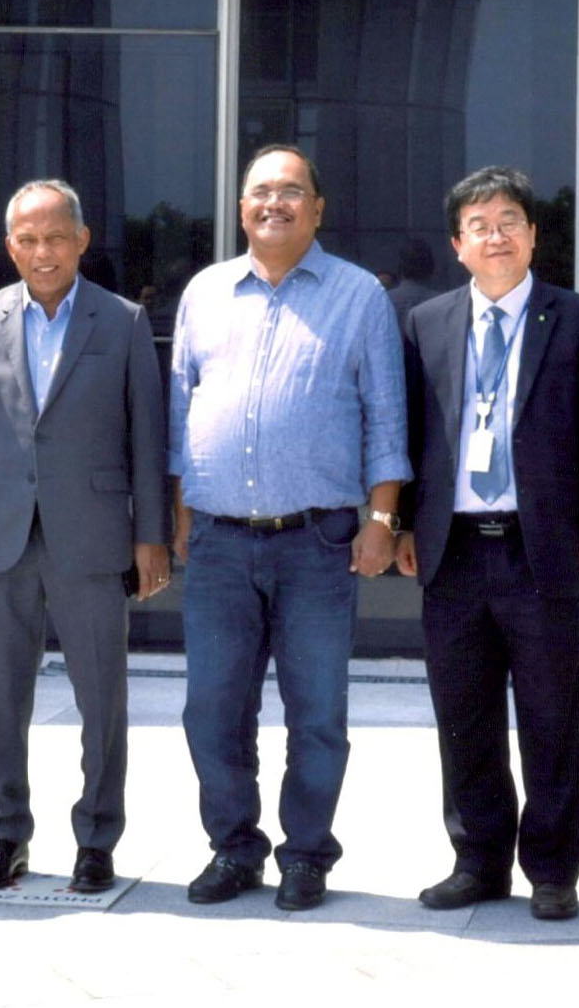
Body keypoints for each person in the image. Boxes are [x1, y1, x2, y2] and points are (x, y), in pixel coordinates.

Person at [169, 144, 412, 912]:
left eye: (291, 191)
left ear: (317, 207)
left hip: (317, 542)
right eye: (260, 192)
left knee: (316, 715)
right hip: (216, 542)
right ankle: (234, 849)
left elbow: (386, 416)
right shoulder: (204, 293)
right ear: (241, 209)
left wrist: (380, 519)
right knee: (212, 709)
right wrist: (177, 524)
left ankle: (306, 855)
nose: (274, 203)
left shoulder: (358, 296)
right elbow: (181, 415)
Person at [398, 167, 579, 921]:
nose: (494, 236)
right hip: (452, 549)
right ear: (457, 245)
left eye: (508, 221)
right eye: (478, 226)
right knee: (462, 716)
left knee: (550, 716)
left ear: (533, 235)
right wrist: (402, 523)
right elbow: (408, 435)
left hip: (543, 550)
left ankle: (555, 869)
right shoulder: (425, 324)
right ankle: (477, 859)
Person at [0, 180, 169, 894]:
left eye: (55, 238)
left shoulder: (123, 321)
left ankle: (96, 838)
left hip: (93, 535)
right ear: (11, 246)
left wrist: (151, 535)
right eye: (28, 240)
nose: (43, 253)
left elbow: (146, 437)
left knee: (101, 696)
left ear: (82, 240)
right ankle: (4, 833)